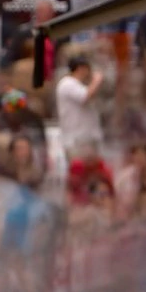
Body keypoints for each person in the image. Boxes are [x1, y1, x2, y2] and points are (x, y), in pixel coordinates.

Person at [55, 55, 108, 197]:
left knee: (93, 177)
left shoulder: (79, 85)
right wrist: (97, 80)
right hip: (77, 139)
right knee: (78, 177)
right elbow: (85, 96)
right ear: (81, 69)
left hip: (87, 138)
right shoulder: (67, 84)